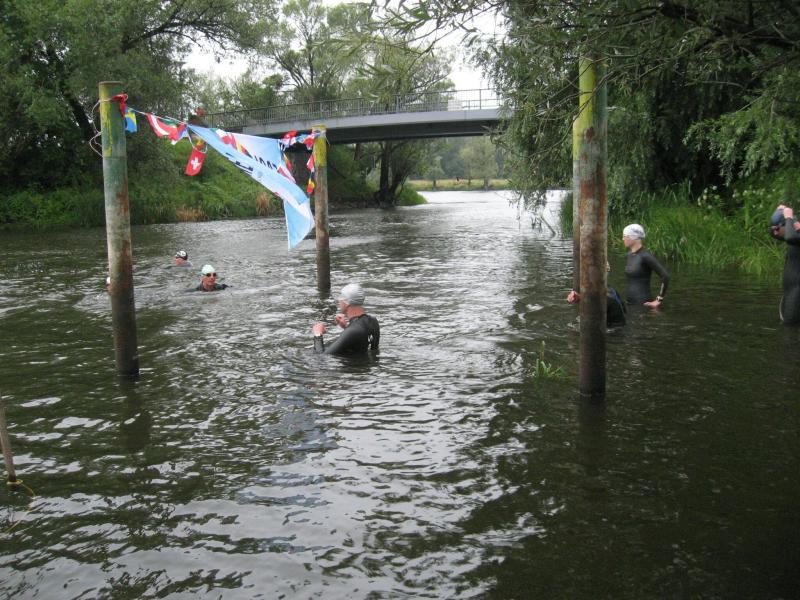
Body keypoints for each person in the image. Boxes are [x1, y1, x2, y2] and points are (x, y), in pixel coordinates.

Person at [312, 283, 380, 355]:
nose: (339, 301)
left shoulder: (353, 331)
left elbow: (321, 357)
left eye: (341, 297)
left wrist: (318, 334)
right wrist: (346, 327)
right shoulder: (373, 321)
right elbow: (361, 342)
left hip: (350, 362)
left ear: (347, 303)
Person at [622, 223, 670, 307]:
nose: (623, 239)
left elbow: (665, 276)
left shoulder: (645, 256)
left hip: (643, 303)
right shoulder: (630, 254)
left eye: (625, 236)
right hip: (629, 303)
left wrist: (659, 299)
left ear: (633, 238)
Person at [566, 262, 627, 327]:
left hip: (613, 330)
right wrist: (579, 298)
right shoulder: (608, 288)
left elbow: (590, 319)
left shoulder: (606, 296)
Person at [770, 204, 800, 324]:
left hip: (797, 291)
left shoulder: (794, 237)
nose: (775, 232)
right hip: (791, 290)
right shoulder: (796, 234)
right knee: (788, 326)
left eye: (778, 228)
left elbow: (790, 237)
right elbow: (774, 233)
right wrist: (779, 213)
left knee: (790, 327)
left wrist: (788, 218)